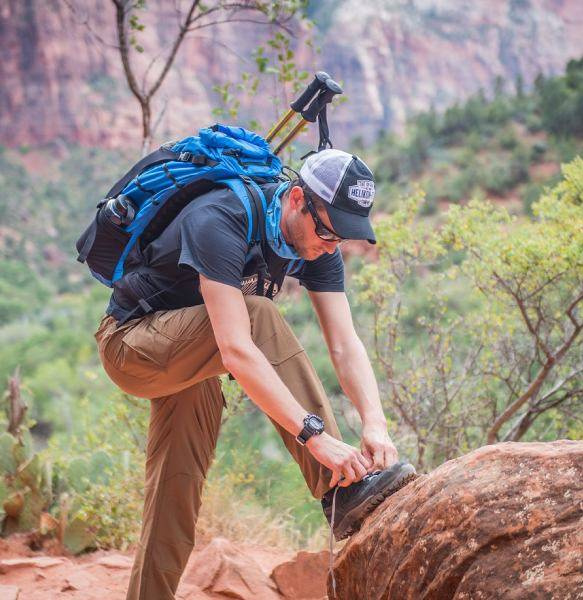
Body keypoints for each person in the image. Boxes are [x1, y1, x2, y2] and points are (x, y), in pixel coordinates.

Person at [94, 148, 416, 600]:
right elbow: (238, 351)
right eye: (328, 230)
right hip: (132, 345)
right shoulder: (220, 218)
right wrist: (317, 439)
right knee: (259, 314)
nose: (332, 245)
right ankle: (339, 490)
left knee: (175, 493)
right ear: (298, 199)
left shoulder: (319, 240)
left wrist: (375, 423)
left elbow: (344, 343)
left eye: (343, 236)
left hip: (192, 359)